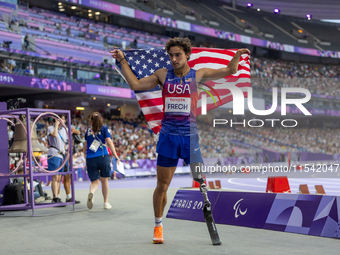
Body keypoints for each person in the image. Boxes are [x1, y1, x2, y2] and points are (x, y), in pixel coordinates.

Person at [111, 37, 250, 244]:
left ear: (187, 55)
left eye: (178, 55)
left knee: (201, 183)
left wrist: (237, 56)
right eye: (171, 55)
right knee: (162, 185)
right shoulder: (162, 75)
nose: (174, 59)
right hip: (168, 137)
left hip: (190, 137)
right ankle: (158, 226)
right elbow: (135, 84)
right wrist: (122, 60)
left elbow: (230, 70)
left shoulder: (198, 74)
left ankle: (209, 219)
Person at [84, 112, 120, 210]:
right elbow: (109, 142)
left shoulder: (87, 131)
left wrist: (85, 157)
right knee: (104, 181)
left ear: (91, 120)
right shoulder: (104, 128)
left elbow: (85, 146)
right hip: (103, 157)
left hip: (90, 158)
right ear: (101, 119)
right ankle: (106, 203)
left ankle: (92, 192)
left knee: (95, 182)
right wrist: (115, 155)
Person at [47, 115, 80, 203]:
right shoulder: (51, 128)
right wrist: (57, 124)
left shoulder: (65, 130)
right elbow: (54, 134)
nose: (63, 121)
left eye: (64, 119)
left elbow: (77, 132)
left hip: (62, 155)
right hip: (54, 154)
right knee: (55, 177)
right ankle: (55, 197)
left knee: (59, 178)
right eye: (61, 119)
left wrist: (72, 130)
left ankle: (58, 197)